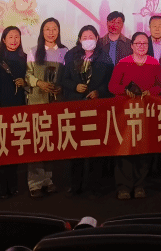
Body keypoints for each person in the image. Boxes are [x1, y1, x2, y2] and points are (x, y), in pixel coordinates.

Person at [108, 32, 161, 200]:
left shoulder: (154, 63)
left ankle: (139, 185)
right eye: (138, 43)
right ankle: (123, 186)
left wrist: (151, 92)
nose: (141, 46)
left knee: (143, 149)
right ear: (131, 45)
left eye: (145, 43)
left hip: (146, 113)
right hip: (125, 113)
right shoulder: (123, 63)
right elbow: (112, 86)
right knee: (124, 150)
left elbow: (159, 86)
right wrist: (125, 91)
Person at [61, 25, 114, 196]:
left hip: (96, 108)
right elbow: (63, 79)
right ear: (79, 39)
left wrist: (99, 92)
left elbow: (110, 84)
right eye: (84, 37)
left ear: (97, 38)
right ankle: (75, 185)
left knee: (95, 148)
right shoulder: (71, 56)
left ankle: (94, 185)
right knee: (76, 147)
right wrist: (74, 86)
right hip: (76, 106)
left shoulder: (105, 58)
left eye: (91, 36)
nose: (88, 40)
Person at [26, 18, 66, 198]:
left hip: (56, 103)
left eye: (54, 29)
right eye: (47, 29)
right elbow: (27, 75)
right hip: (37, 102)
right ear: (42, 32)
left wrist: (61, 87)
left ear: (58, 31)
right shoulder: (34, 51)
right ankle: (34, 182)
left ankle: (48, 180)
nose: (51, 32)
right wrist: (39, 83)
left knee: (51, 142)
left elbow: (68, 76)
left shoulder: (65, 52)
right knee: (36, 142)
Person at [0, 26, 28, 198]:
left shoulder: (25, 58)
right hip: (2, 108)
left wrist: (24, 82)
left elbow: (30, 80)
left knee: (14, 147)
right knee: (0, 147)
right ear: (3, 40)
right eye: (10, 37)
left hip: (19, 108)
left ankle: (13, 185)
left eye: (16, 36)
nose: (14, 40)